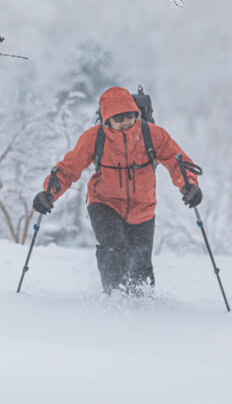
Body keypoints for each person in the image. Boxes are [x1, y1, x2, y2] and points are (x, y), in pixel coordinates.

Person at [31, 86, 202, 295]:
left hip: (143, 207)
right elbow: (69, 168)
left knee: (141, 261)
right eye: (119, 118)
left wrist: (188, 185)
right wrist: (49, 193)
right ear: (106, 119)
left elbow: (178, 162)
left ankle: (143, 303)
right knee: (113, 248)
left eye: (130, 115)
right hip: (104, 202)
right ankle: (112, 299)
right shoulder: (94, 138)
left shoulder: (153, 135)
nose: (126, 122)